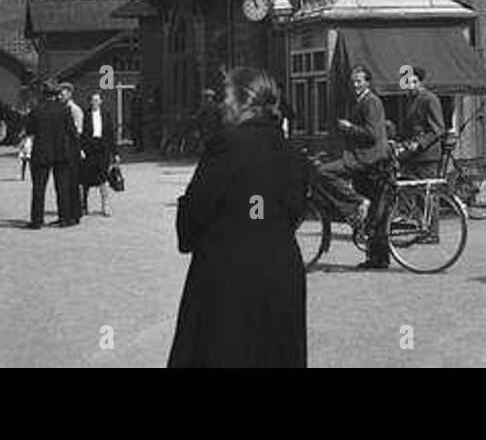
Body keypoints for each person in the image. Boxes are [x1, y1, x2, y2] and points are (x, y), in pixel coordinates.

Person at [167, 67, 308, 367]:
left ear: (246, 102)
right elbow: (294, 213)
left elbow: (192, 217)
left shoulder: (227, 145)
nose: (222, 104)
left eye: (227, 96)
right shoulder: (293, 152)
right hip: (282, 274)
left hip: (229, 277)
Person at [318, 65, 392, 270]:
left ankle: (356, 202)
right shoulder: (363, 101)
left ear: (367, 82)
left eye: (359, 81)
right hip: (365, 160)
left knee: (323, 172)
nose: (356, 85)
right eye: (354, 82)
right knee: (375, 214)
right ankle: (377, 259)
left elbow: (372, 134)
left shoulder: (371, 102)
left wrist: (349, 127)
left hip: (367, 159)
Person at [26, 80, 81, 228]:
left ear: (44, 94)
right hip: (61, 152)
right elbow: (72, 132)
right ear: (56, 94)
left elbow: (29, 130)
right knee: (62, 187)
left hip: (41, 152)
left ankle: (37, 220)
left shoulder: (36, 110)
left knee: (38, 188)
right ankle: (64, 218)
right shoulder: (64, 109)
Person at [397, 66, 445, 178]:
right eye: (407, 83)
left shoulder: (430, 99)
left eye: (414, 82)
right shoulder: (409, 100)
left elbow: (438, 129)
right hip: (412, 155)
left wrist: (420, 143)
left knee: (426, 191)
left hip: (427, 155)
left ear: (420, 82)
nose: (411, 86)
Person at [81, 92, 117, 217]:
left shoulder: (106, 115)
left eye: (97, 100)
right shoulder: (85, 115)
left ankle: (105, 206)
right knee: (85, 179)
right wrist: (81, 149)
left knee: (103, 178)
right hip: (89, 149)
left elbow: (111, 134)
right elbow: (82, 134)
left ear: (101, 101)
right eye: (93, 100)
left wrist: (115, 152)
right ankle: (83, 205)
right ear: (90, 102)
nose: (95, 102)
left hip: (103, 149)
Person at [58, 83, 84, 223]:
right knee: (64, 184)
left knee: (72, 183)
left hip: (72, 150)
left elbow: (78, 131)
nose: (60, 96)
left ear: (69, 94)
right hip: (63, 150)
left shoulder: (75, 110)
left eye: (62, 94)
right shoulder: (62, 109)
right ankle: (65, 213)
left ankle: (75, 213)